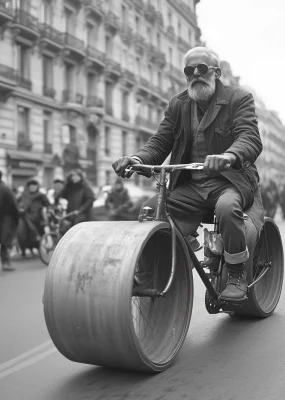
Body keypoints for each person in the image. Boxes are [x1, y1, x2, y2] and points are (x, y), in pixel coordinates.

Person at [112, 46, 263, 302]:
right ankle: (155, 269)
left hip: (230, 182)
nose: (195, 74)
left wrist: (229, 156)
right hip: (190, 188)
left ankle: (236, 272)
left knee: (227, 208)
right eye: (189, 70)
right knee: (151, 210)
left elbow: (250, 137)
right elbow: (160, 142)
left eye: (201, 69)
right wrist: (137, 159)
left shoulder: (239, 98)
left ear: (216, 72)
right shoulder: (178, 104)